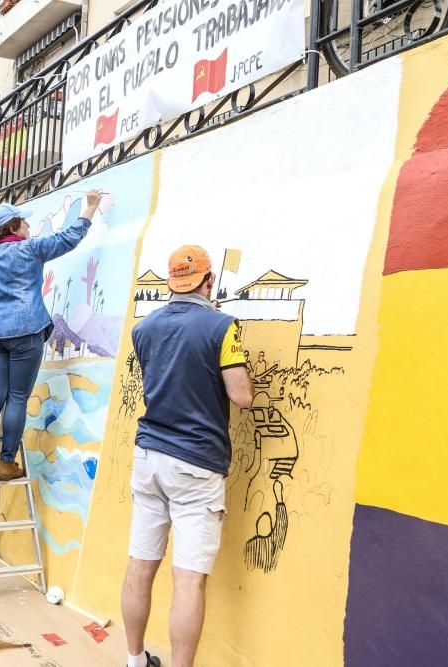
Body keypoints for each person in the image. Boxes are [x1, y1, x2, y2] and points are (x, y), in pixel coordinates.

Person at [120, 246, 254, 667]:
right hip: (196, 462)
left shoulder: (144, 329)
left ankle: (135, 660)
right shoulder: (222, 327)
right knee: (189, 581)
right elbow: (242, 397)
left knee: (141, 566)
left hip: (149, 456)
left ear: (170, 283)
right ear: (209, 280)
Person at [0, 190, 102, 482]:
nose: (29, 228)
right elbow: (69, 238)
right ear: (13, 227)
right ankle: (7, 463)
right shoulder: (31, 249)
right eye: (25, 223)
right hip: (26, 330)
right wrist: (90, 208)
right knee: (17, 398)